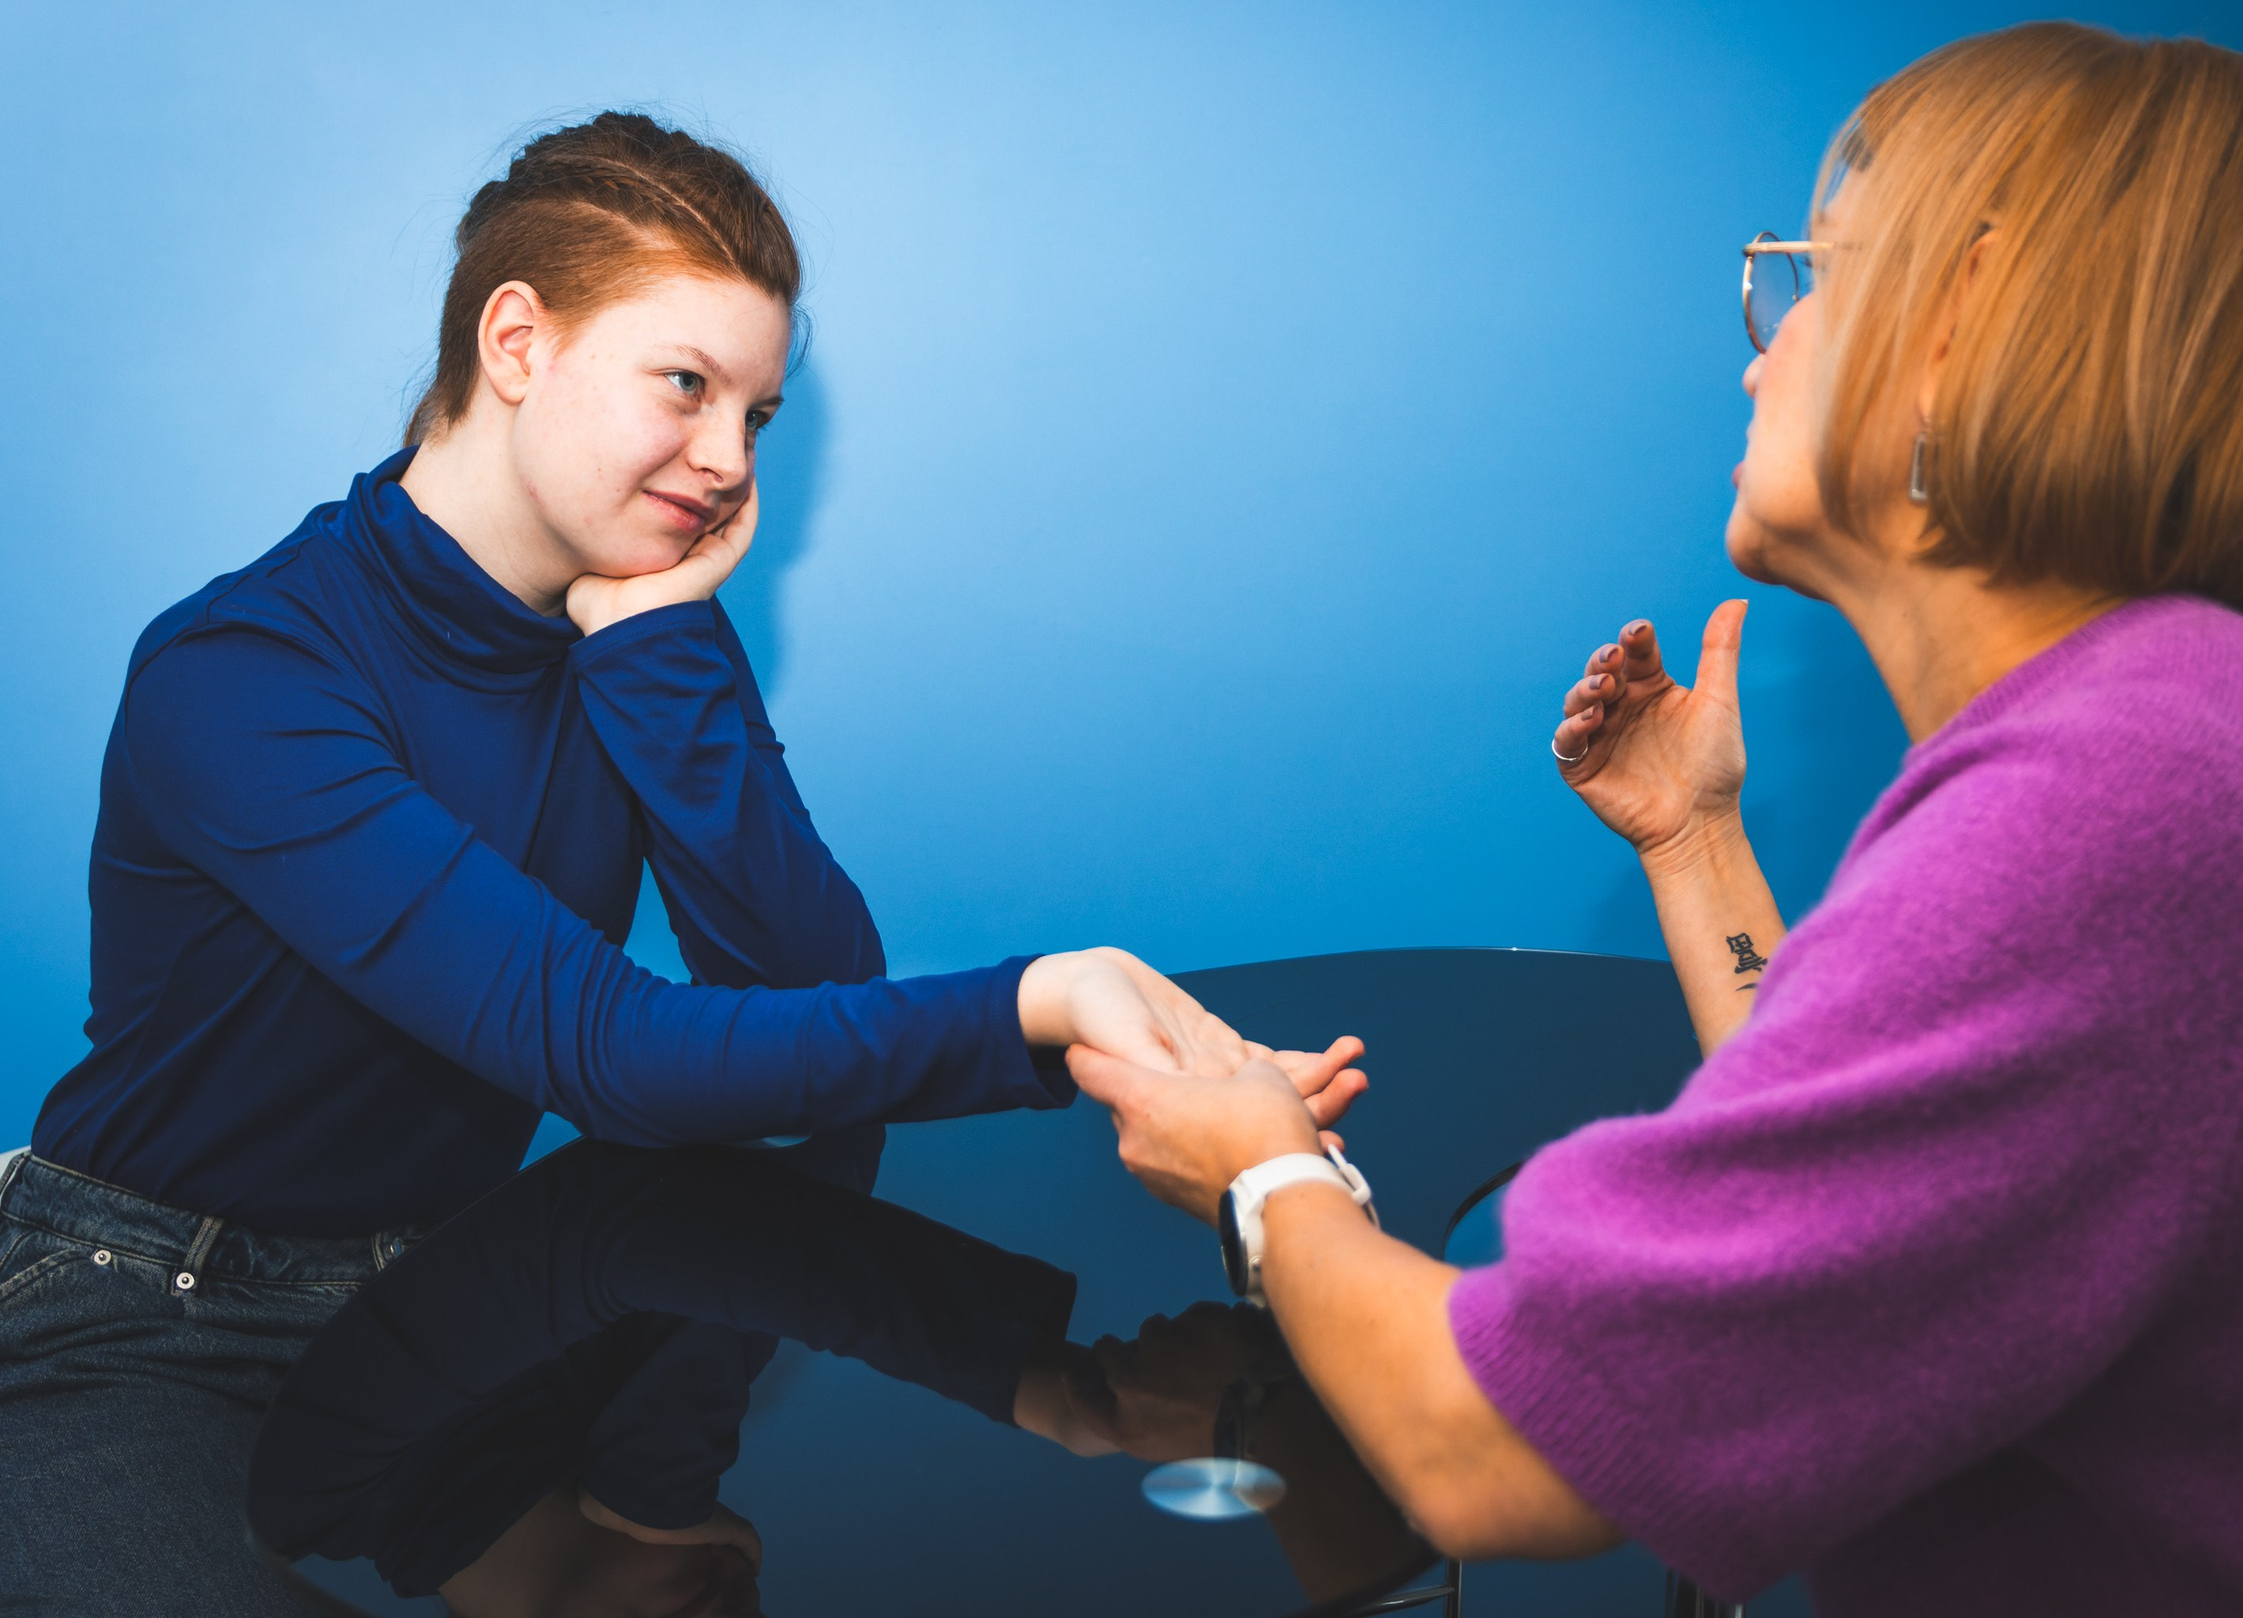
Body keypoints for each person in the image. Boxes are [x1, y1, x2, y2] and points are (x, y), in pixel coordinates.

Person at [1069, 23, 2243, 1615]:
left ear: (1962, 323)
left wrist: (1264, 1171)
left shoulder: (2125, 816)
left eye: (1810, 277)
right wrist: (1694, 843)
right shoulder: (2175, 741)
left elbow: (1495, 1448)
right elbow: (1877, 1212)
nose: (1758, 351)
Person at [0, 113, 1362, 1617]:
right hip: (138, 1315)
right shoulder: (242, 674)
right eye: (688, 386)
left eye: (758, 418)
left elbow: (807, 993)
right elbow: (612, 1053)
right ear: (516, 341)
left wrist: (658, 654)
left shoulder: (630, 631)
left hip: (439, 1296)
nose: (723, 463)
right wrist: (1046, 996)